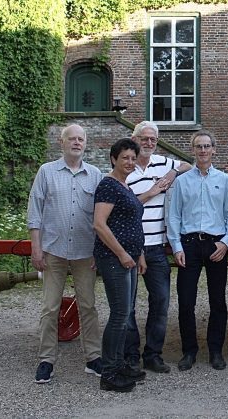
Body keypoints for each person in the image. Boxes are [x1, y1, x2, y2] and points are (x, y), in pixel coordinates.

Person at [27, 124, 103, 384]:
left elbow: (101, 216)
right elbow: (35, 212)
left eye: (81, 139)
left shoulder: (95, 175)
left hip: (85, 252)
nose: (77, 143)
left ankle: (93, 358)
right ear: (62, 143)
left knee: (88, 306)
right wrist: (36, 247)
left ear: (85, 143)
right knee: (50, 307)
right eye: (72, 138)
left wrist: (99, 250)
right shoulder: (46, 172)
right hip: (54, 250)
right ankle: (46, 360)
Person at [125, 121, 192, 374]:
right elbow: (123, 204)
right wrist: (153, 191)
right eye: (144, 138)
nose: (149, 143)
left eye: (153, 139)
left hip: (156, 247)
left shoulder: (163, 163)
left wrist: (172, 174)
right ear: (134, 138)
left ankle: (152, 354)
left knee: (161, 303)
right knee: (127, 305)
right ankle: (131, 355)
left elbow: (187, 165)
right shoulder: (125, 166)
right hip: (131, 248)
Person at [167, 130, 228, 371]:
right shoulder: (182, 181)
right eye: (199, 146)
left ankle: (216, 350)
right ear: (193, 150)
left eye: (207, 146)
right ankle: (189, 351)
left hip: (216, 244)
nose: (203, 150)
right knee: (186, 301)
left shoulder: (224, 180)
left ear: (214, 150)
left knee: (218, 301)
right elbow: (173, 215)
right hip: (189, 245)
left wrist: (226, 242)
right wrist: (176, 246)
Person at [93, 138, 148, 392]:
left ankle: (120, 363)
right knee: (118, 315)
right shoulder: (108, 185)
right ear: (113, 158)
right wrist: (123, 254)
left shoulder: (123, 186)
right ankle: (109, 373)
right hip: (114, 259)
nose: (129, 162)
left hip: (129, 259)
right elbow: (99, 224)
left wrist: (138, 254)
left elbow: (131, 224)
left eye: (133, 158)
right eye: (124, 157)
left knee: (125, 315)